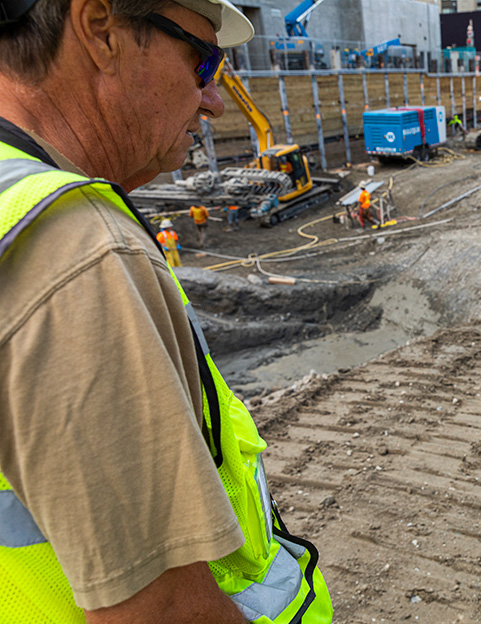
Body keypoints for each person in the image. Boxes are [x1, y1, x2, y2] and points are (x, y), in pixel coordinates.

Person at [0, 0, 333, 621]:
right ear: (101, 30)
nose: (213, 101)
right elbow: (161, 610)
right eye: (203, 62)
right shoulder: (70, 246)